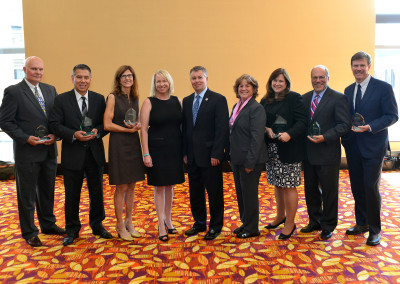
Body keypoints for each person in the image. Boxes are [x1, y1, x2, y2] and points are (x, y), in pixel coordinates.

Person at [0, 56, 65, 247]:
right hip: (27, 152)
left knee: (47, 191)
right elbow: (5, 121)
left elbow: (56, 118)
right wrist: (25, 138)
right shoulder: (13, 92)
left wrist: (56, 135)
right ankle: (29, 232)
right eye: (34, 69)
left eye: (41, 69)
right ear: (25, 70)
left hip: (48, 150)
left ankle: (48, 224)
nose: (38, 72)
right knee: (26, 195)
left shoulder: (50, 89)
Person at [49, 64, 113, 246]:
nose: (83, 81)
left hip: (95, 154)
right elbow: (54, 124)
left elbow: (105, 124)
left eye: (86, 77)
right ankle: (72, 229)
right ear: (72, 79)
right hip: (72, 154)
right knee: (72, 195)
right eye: (79, 77)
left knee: (97, 193)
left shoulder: (99, 99)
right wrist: (72, 134)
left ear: (91, 79)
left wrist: (97, 131)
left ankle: (97, 225)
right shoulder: (61, 100)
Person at [342, 51, 398, 246]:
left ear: (369, 66)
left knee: (370, 186)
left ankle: (375, 230)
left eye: (362, 65)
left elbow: (392, 115)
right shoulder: (348, 90)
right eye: (355, 65)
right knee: (357, 186)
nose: (358, 69)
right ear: (351, 67)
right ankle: (362, 223)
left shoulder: (383, 88)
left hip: (374, 145)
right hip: (353, 146)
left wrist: (371, 126)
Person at [301, 65, 350, 240]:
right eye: (315, 77)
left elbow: (344, 125)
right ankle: (315, 221)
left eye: (321, 77)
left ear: (328, 78)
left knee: (329, 192)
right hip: (309, 154)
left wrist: (325, 137)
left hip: (328, 153)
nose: (318, 80)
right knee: (310, 190)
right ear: (311, 79)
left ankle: (328, 225)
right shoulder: (304, 98)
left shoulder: (338, 98)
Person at [182, 66, 229, 240]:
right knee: (195, 192)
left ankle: (215, 226)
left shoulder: (218, 99)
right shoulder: (187, 101)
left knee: (214, 193)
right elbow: (186, 129)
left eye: (200, 77)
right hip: (192, 157)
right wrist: (185, 153)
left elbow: (222, 130)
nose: (196, 81)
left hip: (211, 157)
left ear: (207, 79)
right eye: (193, 78)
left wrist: (217, 153)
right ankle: (199, 223)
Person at [260, 68, 307, 240]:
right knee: (277, 184)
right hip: (272, 149)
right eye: (274, 80)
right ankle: (280, 216)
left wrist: (290, 134)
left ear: (286, 83)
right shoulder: (265, 100)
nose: (277, 84)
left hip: (289, 148)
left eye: (281, 81)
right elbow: (260, 121)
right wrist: (266, 129)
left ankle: (290, 223)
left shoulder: (294, 98)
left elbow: (303, 121)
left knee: (288, 185)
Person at [140, 70, 184, 242]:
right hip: (156, 150)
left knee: (170, 186)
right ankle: (160, 224)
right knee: (159, 187)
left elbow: (182, 127)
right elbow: (143, 129)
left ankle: (169, 220)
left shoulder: (177, 101)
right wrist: (146, 153)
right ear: (154, 84)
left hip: (174, 149)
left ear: (169, 82)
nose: (162, 84)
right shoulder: (148, 102)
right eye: (158, 81)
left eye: (164, 81)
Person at [104, 65, 146, 241]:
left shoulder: (135, 97)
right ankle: (120, 225)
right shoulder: (113, 97)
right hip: (119, 143)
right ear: (119, 79)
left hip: (133, 143)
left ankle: (130, 222)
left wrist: (137, 125)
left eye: (130, 76)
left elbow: (135, 120)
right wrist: (126, 130)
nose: (128, 78)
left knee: (132, 186)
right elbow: (107, 124)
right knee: (121, 186)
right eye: (124, 76)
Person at [229, 74, 267, 238]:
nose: (243, 88)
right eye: (241, 86)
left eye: (247, 86)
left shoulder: (256, 108)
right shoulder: (236, 106)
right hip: (237, 158)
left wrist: (250, 162)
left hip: (251, 160)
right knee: (241, 193)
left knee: (249, 194)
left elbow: (257, 137)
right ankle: (246, 223)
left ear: (254, 89)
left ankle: (252, 228)